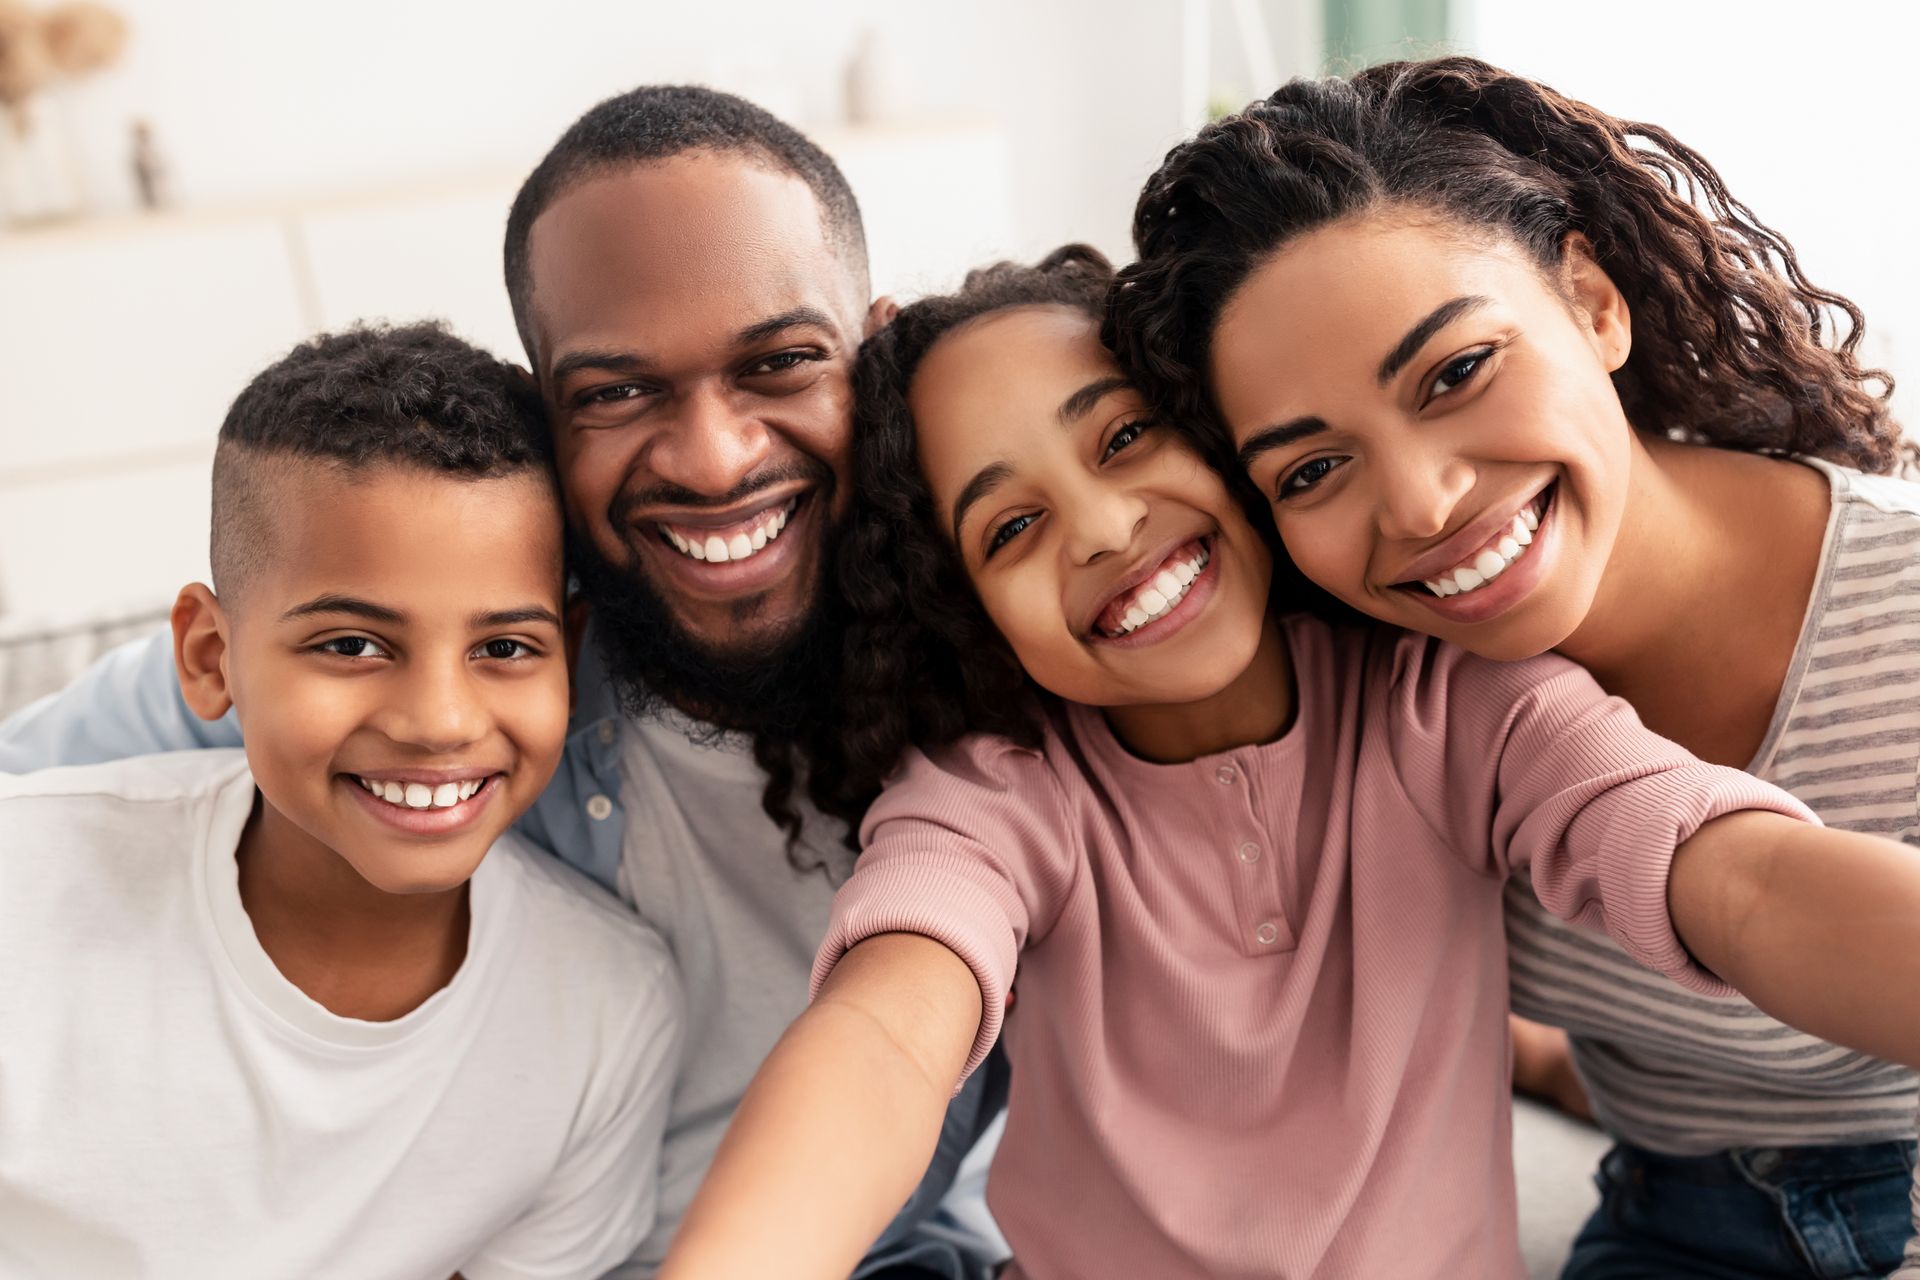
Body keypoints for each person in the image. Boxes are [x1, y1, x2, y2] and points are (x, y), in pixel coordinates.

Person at [653, 249, 1920, 1280]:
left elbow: (1735, 877)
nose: (1104, 529)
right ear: (969, 607)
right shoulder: (997, 792)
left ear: (1231, 445)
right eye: (1014, 525)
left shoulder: (1451, 700)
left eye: (1125, 439)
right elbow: (885, 1033)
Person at [0, 87, 1002, 1278]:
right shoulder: (447, 634)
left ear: (873, 351)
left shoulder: (1009, 667)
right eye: (617, 392)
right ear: (546, 413)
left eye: (781, 362)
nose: (714, 457)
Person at [1107, 55, 1920, 1279]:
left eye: (1455, 372)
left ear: (1593, 301)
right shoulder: (1394, 693)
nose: (1424, 501)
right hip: (1670, 1220)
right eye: (1312, 469)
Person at [0, 323, 682, 1280]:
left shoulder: (610, 1010)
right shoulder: (22, 892)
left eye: (504, 648)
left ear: (568, 652)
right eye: (353, 646)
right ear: (209, 656)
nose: (441, 721)